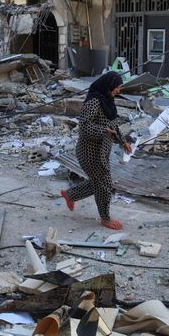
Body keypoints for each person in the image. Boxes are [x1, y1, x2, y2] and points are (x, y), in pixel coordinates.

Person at [60, 72, 132, 230]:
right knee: (105, 184)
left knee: (98, 182)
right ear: (109, 86)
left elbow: (113, 126)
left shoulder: (108, 101)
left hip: (101, 151)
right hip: (89, 152)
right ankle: (105, 218)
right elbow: (84, 126)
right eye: (117, 87)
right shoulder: (93, 102)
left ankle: (70, 195)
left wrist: (123, 142)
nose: (118, 91)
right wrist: (104, 131)